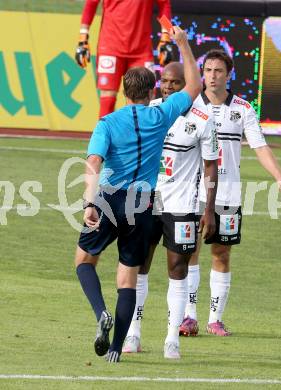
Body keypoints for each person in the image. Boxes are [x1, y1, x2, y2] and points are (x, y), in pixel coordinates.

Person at [74, 26, 202, 364]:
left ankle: (101, 312)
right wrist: (184, 45)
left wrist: (90, 202)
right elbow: (194, 86)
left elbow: (93, 163)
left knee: (84, 261)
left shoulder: (107, 123)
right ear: (152, 91)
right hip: (143, 203)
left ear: (125, 92)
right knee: (127, 276)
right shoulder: (160, 116)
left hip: (109, 198)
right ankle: (116, 348)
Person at [179, 49, 281, 337]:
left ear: (228, 75)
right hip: (193, 192)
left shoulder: (242, 108)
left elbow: (260, 147)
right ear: (202, 74)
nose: (212, 76)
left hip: (228, 194)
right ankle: (189, 316)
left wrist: (279, 178)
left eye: (218, 71)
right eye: (208, 71)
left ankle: (214, 319)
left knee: (222, 254)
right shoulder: (189, 105)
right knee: (189, 252)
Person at [122, 61, 219, 359]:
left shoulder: (203, 118)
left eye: (175, 82)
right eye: (164, 81)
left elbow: (210, 164)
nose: (167, 87)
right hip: (147, 200)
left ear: (186, 85)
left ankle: (170, 339)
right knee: (139, 265)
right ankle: (133, 334)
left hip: (182, 206)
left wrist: (210, 209)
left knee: (177, 269)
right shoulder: (149, 109)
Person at [75, 0, 173, 117]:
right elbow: (91, 3)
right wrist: (83, 37)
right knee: (108, 98)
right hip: (110, 48)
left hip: (141, 50)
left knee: (147, 98)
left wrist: (166, 35)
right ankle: (104, 135)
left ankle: (142, 135)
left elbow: (164, 4)